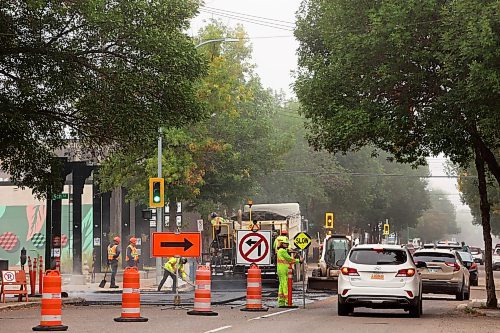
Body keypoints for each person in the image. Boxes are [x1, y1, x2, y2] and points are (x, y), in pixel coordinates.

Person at [276, 239, 301, 307]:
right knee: (285, 284)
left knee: (281, 285)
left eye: (287, 244)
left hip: (281, 269)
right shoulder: (282, 251)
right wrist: (299, 260)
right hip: (283, 269)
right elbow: (289, 259)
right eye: (285, 244)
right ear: (282, 244)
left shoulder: (281, 251)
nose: (286, 245)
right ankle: (288, 301)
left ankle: (281, 302)